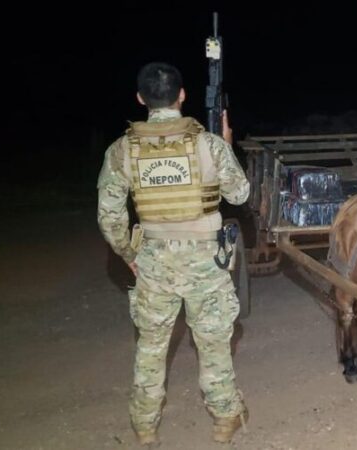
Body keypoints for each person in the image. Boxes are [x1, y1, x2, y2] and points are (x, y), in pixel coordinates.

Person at [96, 62, 250, 445]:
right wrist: (226, 147)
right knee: (212, 344)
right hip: (204, 263)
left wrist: (127, 253)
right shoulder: (209, 144)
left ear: (140, 98)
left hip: (153, 263)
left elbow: (109, 215)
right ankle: (224, 420)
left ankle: (145, 427)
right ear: (182, 95)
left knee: (150, 347)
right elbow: (240, 195)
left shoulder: (122, 150)